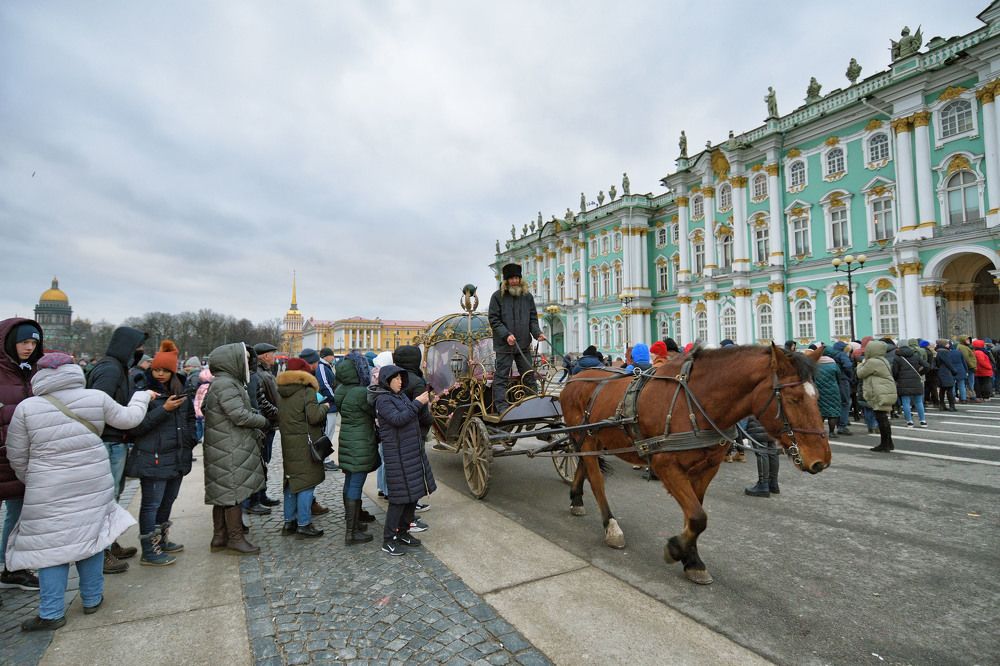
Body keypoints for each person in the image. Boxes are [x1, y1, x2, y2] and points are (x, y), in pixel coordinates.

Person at [6, 352, 152, 631]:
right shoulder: (95, 398)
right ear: (74, 372)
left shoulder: (28, 407)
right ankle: (92, 598)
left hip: (47, 486)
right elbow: (129, 419)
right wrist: (142, 397)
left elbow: (17, 455)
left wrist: (33, 477)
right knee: (92, 537)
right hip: (93, 480)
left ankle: (51, 613)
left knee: (51, 548)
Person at [128, 340, 196, 566]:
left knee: (168, 501)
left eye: (165, 370)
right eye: (156, 369)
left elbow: (189, 420)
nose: (159, 374)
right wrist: (164, 411)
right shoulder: (143, 393)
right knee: (151, 504)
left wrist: (190, 441)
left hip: (176, 456)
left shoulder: (182, 391)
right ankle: (149, 549)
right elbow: (136, 427)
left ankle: (162, 539)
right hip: (153, 457)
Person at [87, 325, 147, 574]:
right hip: (109, 440)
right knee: (106, 497)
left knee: (113, 497)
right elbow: (97, 405)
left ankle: (109, 543)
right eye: (137, 348)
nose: (140, 352)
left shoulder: (116, 367)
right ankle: (101, 552)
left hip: (115, 439)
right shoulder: (110, 369)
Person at [202, 342, 269, 555]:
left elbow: (207, 408)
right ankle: (234, 538)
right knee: (233, 494)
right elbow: (239, 415)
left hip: (224, 444)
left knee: (223, 494)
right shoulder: (226, 384)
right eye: (246, 360)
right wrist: (262, 420)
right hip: (229, 447)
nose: (248, 364)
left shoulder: (223, 382)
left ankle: (219, 537)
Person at [370, 365, 434, 556]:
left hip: (411, 454)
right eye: (396, 378)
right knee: (398, 500)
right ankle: (389, 539)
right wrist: (418, 403)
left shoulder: (399, 396)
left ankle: (404, 532)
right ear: (387, 381)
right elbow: (398, 419)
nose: (400, 381)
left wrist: (425, 404)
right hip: (398, 456)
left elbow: (413, 416)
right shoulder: (382, 400)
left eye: (400, 378)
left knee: (412, 496)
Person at [0, 318, 44, 595]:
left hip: (20, 456)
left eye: (33, 342)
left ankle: (12, 567)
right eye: (24, 342)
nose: (29, 347)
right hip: (4, 450)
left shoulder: (32, 371)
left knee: (18, 514)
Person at [276, 357, 329, 539]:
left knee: (291, 482)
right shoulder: (306, 391)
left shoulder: (281, 392)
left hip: (288, 443)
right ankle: (304, 524)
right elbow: (314, 416)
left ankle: (289, 522)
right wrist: (325, 407)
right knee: (306, 483)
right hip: (305, 444)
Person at [334, 351, 379, 544]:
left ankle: (353, 522)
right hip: (360, 442)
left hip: (347, 440)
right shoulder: (360, 392)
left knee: (350, 480)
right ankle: (351, 532)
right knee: (356, 484)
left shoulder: (341, 389)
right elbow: (372, 411)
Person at [488, 263, 545, 413]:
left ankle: (533, 406)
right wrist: (506, 335)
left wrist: (537, 333)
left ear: (520, 279)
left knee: (529, 376)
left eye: (516, 278)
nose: (514, 281)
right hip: (504, 346)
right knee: (501, 377)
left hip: (523, 345)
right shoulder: (497, 296)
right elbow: (494, 319)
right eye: (511, 278)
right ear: (506, 280)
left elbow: (533, 319)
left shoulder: (527, 297)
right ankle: (501, 407)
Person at [394, 344, 433, 522]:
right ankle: (408, 518)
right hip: (414, 431)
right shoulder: (417, 381)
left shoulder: (394, 378)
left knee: (400, 472)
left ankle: (403, 512)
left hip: (397, 430)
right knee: (413, 473)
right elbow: (423, 413)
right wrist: (433, 422)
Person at [252, 343, 281, 507]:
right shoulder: (259, 373)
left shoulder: (265, 372)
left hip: (269, 424)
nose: (274, 357)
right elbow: (261, 401)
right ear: (264, 356)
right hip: (264, 424)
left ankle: (261, 495)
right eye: (272, 354)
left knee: (265, 461)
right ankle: (255, 498)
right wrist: (277, 413)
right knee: (260, 462)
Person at [857, 340, 897, 452]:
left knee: (881, 418)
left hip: (879, 392)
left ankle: (885, 444)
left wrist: (861, 364)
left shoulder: (872, 362)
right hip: (885, 390)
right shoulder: (882, 360)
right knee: (883, 417)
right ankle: (889, 443)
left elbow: (860, 373)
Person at [313, 348, 340, 472]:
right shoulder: (322, 367)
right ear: (326, 356)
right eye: (331, 355)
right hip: (328, 405)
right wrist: (334, 398)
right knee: (327, 433)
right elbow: (325, 385)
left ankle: (326, 458)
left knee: (329, 432)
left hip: (330, 405)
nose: (333, 357)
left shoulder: (326, 366)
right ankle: (325, 459)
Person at [741, 416, 779, 497]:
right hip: (772, 422)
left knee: (761, 453)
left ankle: (763, 485)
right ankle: (773, 483)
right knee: (772, 452)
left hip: (759, 422)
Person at [893, 342, 928, 427]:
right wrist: (920, 373)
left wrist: (897, 378)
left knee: (905, 402)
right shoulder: (915, 356)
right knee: (919, 402)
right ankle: (923, 421)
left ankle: (909, 421)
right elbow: (926, 365)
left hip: (903, 382)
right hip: (916, 381)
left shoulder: (897, 358)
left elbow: (895, 371)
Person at [815, 350, 844, 438]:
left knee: (820, 412)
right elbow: (839, 377)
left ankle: (820, 432)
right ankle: (831, 432)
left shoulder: (815, 365)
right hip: (833, 391)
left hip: (819, 391)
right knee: (833, 412)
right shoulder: (833, 364)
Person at [934, 339, 963, 411]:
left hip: (940, 372)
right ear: (943, 344)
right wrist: (954, 371)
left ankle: (942, 405)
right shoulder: (944, 352)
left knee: (942, 389)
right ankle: (952, 406)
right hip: (946, 372)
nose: (949, 344)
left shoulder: (938, 351)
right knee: (949, 389)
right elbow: (948, 363)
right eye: (947, 343)